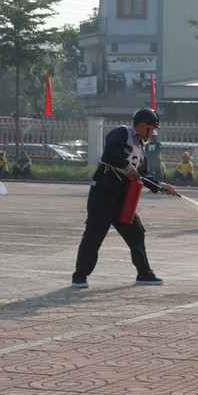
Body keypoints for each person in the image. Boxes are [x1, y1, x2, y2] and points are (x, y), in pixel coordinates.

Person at [71, 108, 177, 289]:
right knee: (94, 235)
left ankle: (144, 273)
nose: (152, 133)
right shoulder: (122, 133)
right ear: (144, 125)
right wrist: (127, 167)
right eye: (152, 129)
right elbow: (111, 152)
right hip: (103, 195)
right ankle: (79, 275)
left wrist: (161, 186)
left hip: (123, 199)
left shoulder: (141, 149)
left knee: (136, 233)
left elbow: (144, 176)